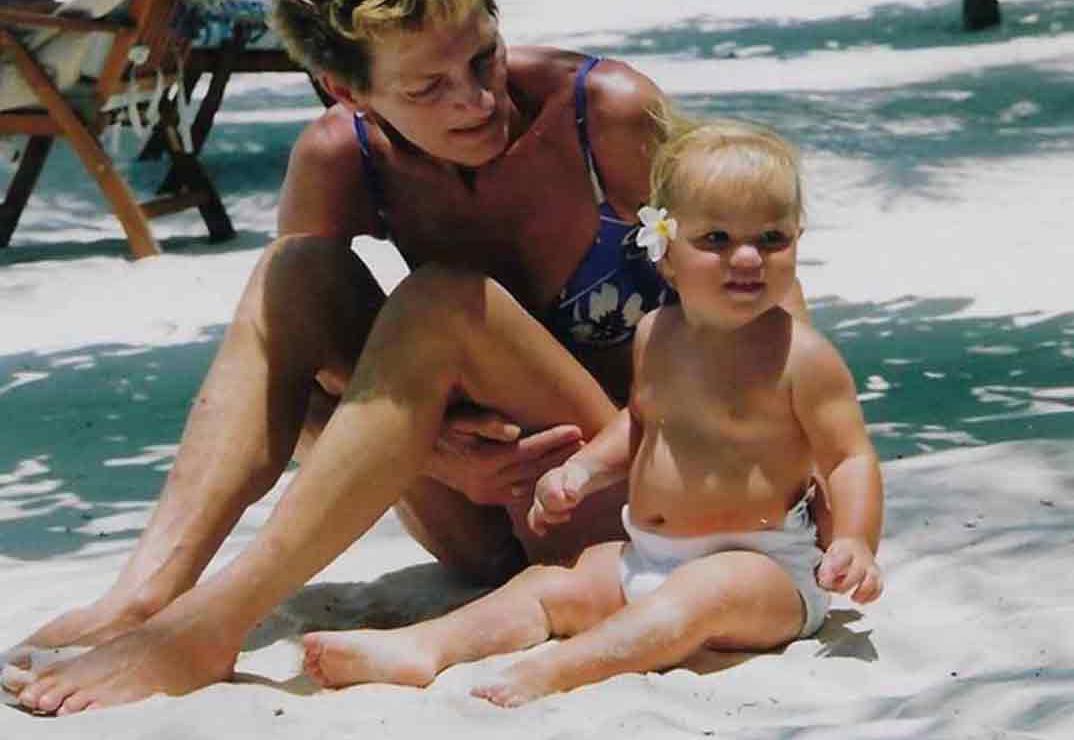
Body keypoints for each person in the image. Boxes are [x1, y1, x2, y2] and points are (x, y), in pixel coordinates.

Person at [6, 0, 805, 716]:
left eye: (483, 54)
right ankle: (144, 596)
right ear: (344, 89)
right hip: (477, 520)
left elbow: (777, 312)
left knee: (442, 303)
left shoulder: (603, 116)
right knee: (293, 276)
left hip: (640, 507)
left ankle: (209, 625)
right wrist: (428, 452)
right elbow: (295, 403)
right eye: (428, 88)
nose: (479, 97)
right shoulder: (339, 161)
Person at [300, 120, 884, 706]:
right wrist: (581, 471)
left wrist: (856, 539)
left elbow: (848, 457)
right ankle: (426, 646)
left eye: (773, 238)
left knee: (702, 595)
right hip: (649, 556)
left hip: (765, 571)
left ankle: (560, 670)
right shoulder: (657, 333)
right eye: (717, 240)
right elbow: (641, 426)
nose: (749, 257)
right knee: (552, 585)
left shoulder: (801, 357)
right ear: (666, 253)